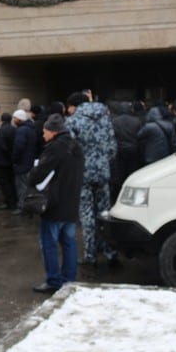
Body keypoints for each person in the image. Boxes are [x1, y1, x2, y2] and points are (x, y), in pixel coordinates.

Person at [28, 113, 84, 294]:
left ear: (53, 132)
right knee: (68, 241)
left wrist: (32, 175)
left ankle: (53, 280)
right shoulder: (76, 146)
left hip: (54, 203)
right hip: (72, 202)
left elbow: (39, 174)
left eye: (45, 132)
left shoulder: (54, 148)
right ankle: (69, 278)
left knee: (48, 242)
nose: (43, 136)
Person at [65, 91, 118, 268]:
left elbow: (68, 149)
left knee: (86, 213)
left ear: (74, 105)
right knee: (104, 212)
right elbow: (112, 147)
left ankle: (90, 254)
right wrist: (102, 161)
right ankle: (109, 249)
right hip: (103, 171)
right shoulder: (105, 118)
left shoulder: (72, 121)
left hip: (82, 173)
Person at [11, 108, 37, 215]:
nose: (13, 119)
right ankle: (29, 206)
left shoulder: (21, 130)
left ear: (19, 119)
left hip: (22, 163)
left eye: (15, 118)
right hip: (29, 161)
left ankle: (22, 207)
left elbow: (19, 147)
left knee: (21, 186)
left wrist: (14, 159)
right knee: (27, 186)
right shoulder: (31, 129)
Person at [0, 112, 17, 210]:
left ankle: (9, 202)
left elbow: (2, 146)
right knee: (12, 181)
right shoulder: (14, 129)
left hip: (3, 161)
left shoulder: (1, 130)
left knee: (4, 182)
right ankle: (13, 201)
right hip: (11, 161)